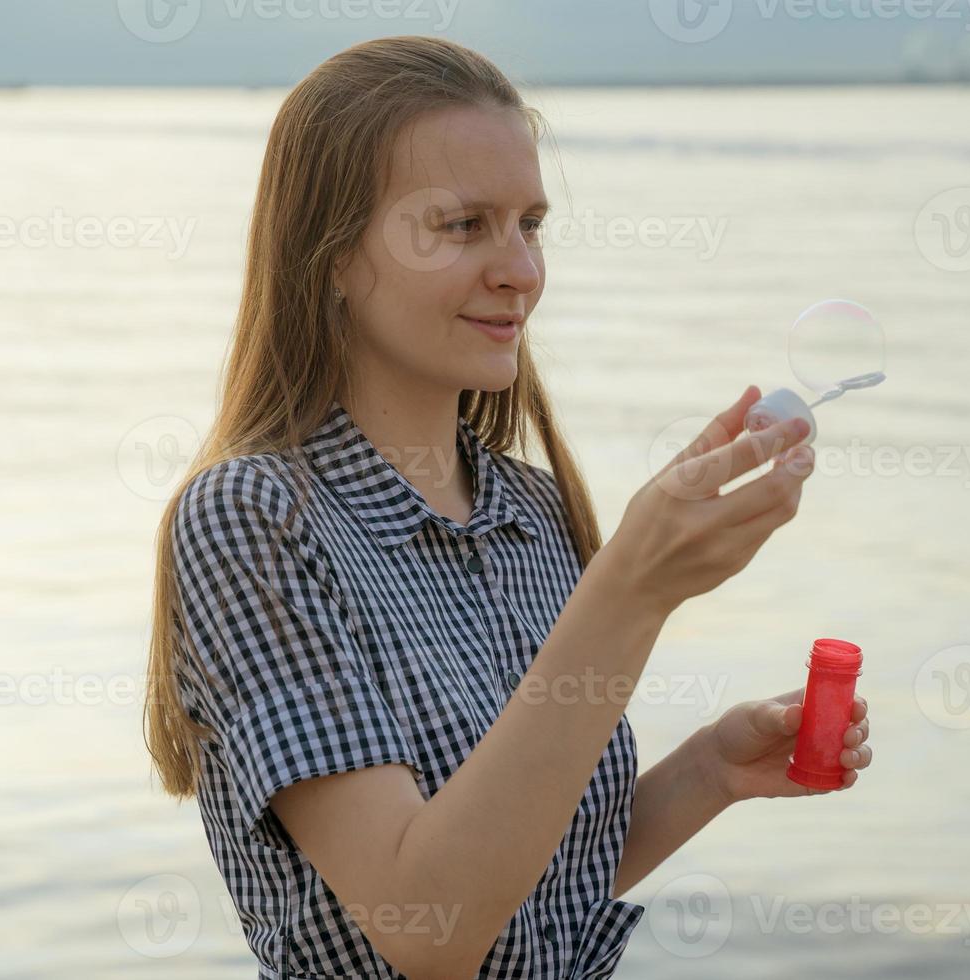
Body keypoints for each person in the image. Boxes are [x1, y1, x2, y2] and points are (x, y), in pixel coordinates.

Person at [143, 35, 872, 980]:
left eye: (530, 223)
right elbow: (429, 926)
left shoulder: (530, 511)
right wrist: (632, 591)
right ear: (328, 254)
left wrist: (708, 774)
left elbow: (527, 882)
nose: (521, 270)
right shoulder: (253, 519)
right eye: (460, 225)